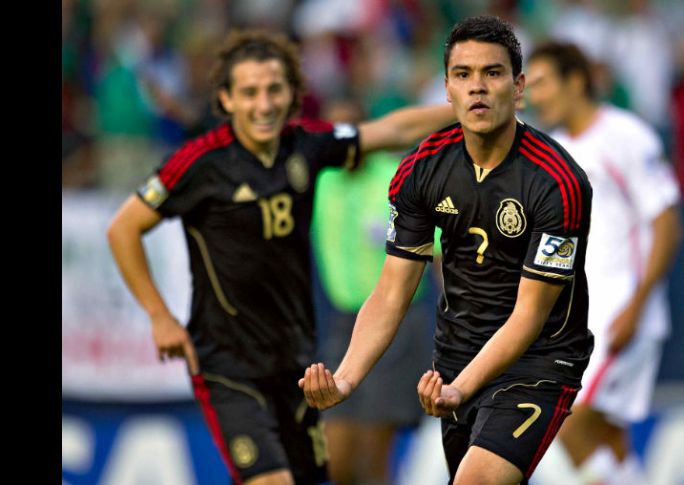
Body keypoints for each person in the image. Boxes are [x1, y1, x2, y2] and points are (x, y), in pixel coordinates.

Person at [106, 29, 455, 485]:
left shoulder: (305, 145)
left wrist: (465, 109)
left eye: (274, 90)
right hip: (229, 364)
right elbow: (123, 228)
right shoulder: (200, 163)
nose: (263, 104)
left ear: (292, 93)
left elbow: (389, 130)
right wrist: (159, 316)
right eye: (249, 92)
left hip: (298, 360)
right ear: (227, 100)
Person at [299, 16, 594, 485]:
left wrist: (462, 387)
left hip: (537, 361)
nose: (477, 87)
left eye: (492, 73)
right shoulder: (420, 171)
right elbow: (392, 291)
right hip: (455, 359)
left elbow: (529, 315)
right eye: (463, 75)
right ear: (447, 89)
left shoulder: (558, 181)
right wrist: (346, 380)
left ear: (518, 88)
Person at [525, 42, 683, 485]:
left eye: (542, 83)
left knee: (561, 415)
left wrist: (636, 306)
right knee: (608, 438)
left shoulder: (626, 136)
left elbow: (668, 225)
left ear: (575, 81)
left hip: (622, 313)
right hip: (585, 318)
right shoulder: (557, 152)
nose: (535, 96)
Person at [311, 99, 436, 485]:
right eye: (334, 135)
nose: (343, 143)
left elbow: (439, 254)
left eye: (351, 133)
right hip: (342, 324)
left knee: (371, 457)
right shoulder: (319, 182)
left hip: (395, 325)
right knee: (337, 461)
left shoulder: (397, 179)